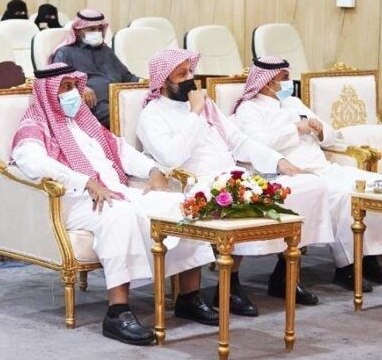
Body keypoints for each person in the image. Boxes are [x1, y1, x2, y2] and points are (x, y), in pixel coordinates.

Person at [12, 63, 218, 344]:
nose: (73, 94)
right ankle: (117, 312)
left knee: (182, 205)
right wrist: (85, 182)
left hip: (114, 191)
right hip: (74, 200)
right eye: (65, 88)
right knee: (118, 215)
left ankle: (189, 297)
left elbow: (122, 151)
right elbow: (32, 162)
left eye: (74, 86)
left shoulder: (85, 121)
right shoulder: (34, 126)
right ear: (47, 92)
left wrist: (153, 171)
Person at [136, 49, 336, 316]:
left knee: (309, 185)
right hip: (196, 183)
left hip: (231, 175)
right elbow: (171, 157)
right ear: (163, 82)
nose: (190, 78)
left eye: (190, 71)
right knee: (241, 199)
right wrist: (195, 113)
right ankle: (222, 286)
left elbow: (239, 140)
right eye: (182, 74)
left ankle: (272, 275)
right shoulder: (152, 115)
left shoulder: (205, 105)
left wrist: (279, 162)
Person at [233, 56, 382, 290]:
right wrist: (295, 129)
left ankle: (369, 257)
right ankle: (347, 267)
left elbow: (332, 136)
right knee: (344, 195)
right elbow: (256, 144)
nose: (289, 83)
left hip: (325, 168)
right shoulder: (249, 109)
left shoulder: (293, 103)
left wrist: (320, 129)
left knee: (378, 185)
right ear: (267, 81)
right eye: (284, 78)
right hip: (292, 173)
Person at [50, 9, 138, 127]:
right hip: (94, 106)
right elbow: (57, 81)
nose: (97, 32)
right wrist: (80, 88)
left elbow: (127, 77)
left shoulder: (106, 51)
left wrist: (146, 82)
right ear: (78, 31)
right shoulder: (65, 52)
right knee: (128, 118)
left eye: (100, 29)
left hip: (121, 101)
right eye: (92, 29)